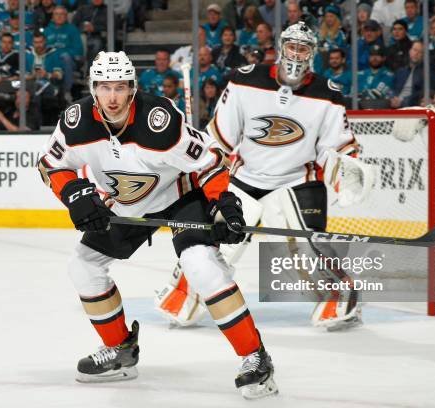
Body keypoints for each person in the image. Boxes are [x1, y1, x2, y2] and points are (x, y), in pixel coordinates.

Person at [37, 50, 278, 399]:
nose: (113, 97)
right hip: (125, 205)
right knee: (83, 265)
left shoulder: (159, 121)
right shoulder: (75, 122)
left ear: (133, 88)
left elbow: (210, 162)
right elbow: (49, 164)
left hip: (177, 198)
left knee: (201, 266)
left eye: (121, 87)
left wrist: (224, 205)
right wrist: (74, 193)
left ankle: (255, 358)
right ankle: (120, 351)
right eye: (105, 88)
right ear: (93, 89)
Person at [155, 22, 369, 333]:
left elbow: (335, 147)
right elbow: (220, 137)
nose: (296, 53)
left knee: (306, 251)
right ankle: (184, 294)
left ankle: (342, 294)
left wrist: (347, 168)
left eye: (303, 48)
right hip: (245, 176)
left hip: (297, 180)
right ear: (281, 48)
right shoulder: (246, 80)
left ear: (313, 54)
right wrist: (199, 159)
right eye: (292, 46)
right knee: (216, 242)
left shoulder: (328, 94)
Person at [391, 41, 425, 108]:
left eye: (420, 52)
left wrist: (402, 101)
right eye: (415, 50)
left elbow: (421, 94)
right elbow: (391, 88)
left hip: (410, 106)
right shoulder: (401, 71)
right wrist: (392, 98)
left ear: (423, 56)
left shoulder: (425, 73)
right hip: (394, 103)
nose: (416, 53)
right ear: (410, 51)